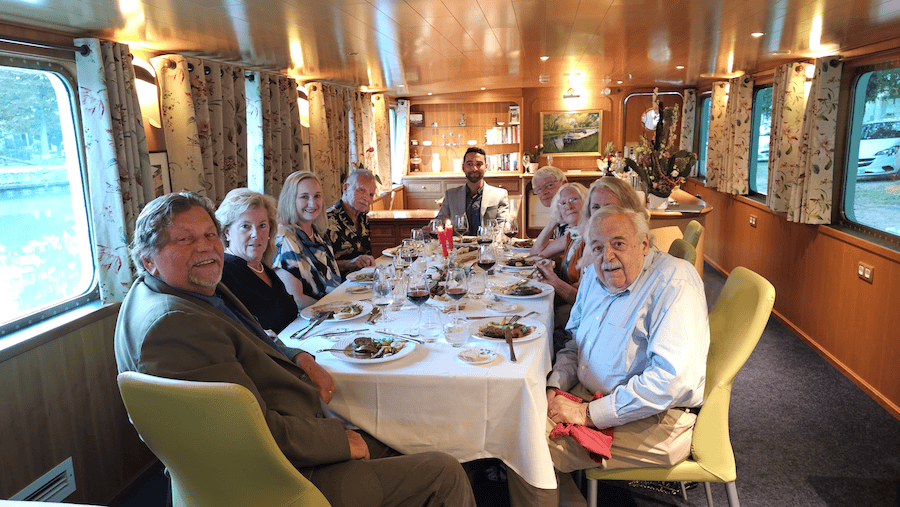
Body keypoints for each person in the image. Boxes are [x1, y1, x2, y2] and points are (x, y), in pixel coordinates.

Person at [115, 192, 477, 507]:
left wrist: (300, 356)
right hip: (280, 479)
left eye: (210, 234)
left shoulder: (181, 291)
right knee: (444, 470)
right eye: (185, 239)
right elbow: (244, 434)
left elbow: (256, 337)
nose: (206, 246)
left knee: (402, 434)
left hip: (293, 432)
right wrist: (340, 441)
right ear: (149, 259)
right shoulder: (174, 326)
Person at [508, 206, 710, 506]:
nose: (607, 257)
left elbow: (669, 381)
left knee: (524, 441)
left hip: (655, 417)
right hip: (596, 396)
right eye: (598, 247)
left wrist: (587, 414)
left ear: (644, 243)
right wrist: (555, 386)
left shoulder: (674, 281)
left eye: (618, 243)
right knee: (521, 411)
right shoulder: (594, 277)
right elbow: (576, 344)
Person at [216, 188, 298, 334]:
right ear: (226, 232)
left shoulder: (263, 268)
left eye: (262, 225)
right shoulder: (223, 273)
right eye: (245, 226)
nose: (256, 234)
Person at [274, 171, 341, 307]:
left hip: (336, 311)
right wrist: (336, 309)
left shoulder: (319, 234)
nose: (313, 203)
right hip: (311, 320)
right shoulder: (285, 239)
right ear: (290, 200)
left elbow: (332, 282)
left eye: (317, 196)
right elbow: (296, 300)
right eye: (304, 197)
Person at [434, 147, 509, 235]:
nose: (474, 168)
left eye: (479, 164)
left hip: (487, 246)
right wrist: (430, 228)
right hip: (459, 247)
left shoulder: (500, 195)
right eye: (469, 164)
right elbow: (439, 221)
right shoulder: (451, 195)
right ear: (463, 167)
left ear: (486, 167)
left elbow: (504, 226)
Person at [326, 169, 377, 276]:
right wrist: (349, 263)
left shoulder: (362, 218)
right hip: (337, 286)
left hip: (362, 283)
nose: (366, 198)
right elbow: (320, 265)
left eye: (371, 194)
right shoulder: (327, 220)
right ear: (345, 188)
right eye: (362, 190)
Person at [528, 166, 568, 256]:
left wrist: (554, 218)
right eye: (538, 189)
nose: (544, 192)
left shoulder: (573, 214)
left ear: (564, 184)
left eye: (549, 185)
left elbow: (536, 253)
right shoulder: (559, 212)